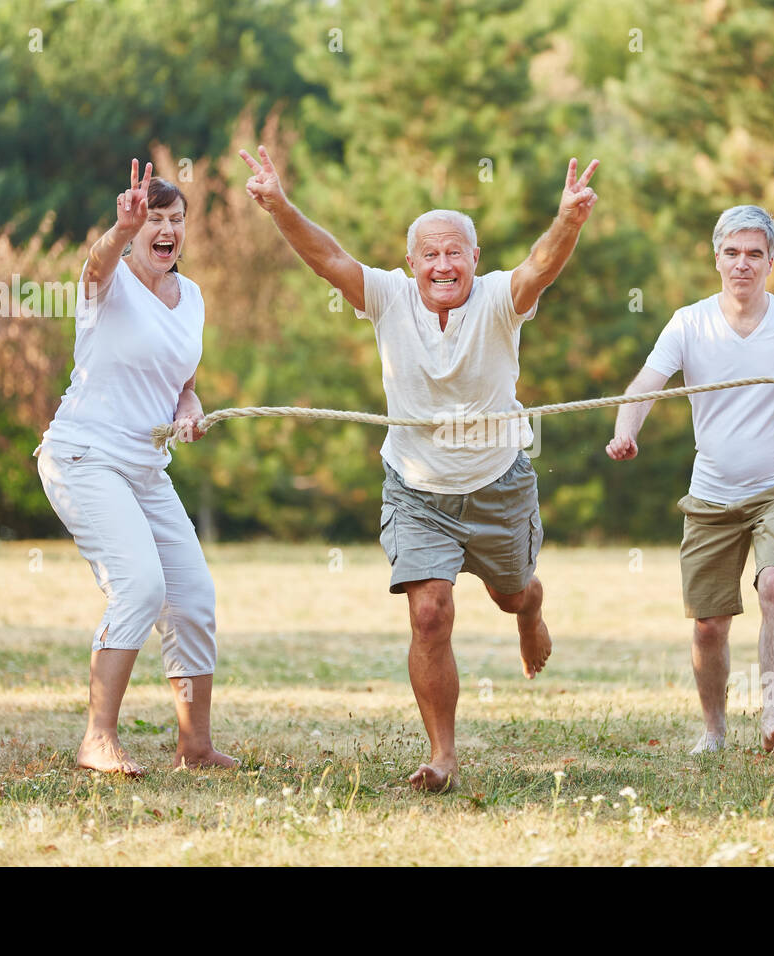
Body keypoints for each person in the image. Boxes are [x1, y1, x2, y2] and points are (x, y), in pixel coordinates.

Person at [239, 144, 598, 791]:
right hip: (417, 491)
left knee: (511, 591)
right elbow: (328, 257)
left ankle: (529, 608)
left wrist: (566, 220)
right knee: (429, 612)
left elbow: (540, 268)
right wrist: (280, 206)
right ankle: (442, 756)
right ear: (411, 263)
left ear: (474, 259)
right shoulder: (386, 297)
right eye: (428, 253)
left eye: (453, 251)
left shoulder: (497, 300)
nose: (441, 264)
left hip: (498, 486)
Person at [606, 205, 774, 754]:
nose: (743, 264)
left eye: (755, 254)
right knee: (709, 625)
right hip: (712, 490)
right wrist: (625, 432)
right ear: (717, 257)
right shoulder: (689, 322)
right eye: (732, 253)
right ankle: (714, 730)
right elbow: (644, 387)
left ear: (771, 261)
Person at [37, 158, 236, 776]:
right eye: (155, 217)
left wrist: (190, 412)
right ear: (136, 223)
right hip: (85, 456)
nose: (167, 228)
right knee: (141, 586)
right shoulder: (109, 281)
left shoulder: (192, 297)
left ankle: (194, 747)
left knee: (193, 596)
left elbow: (184, 386)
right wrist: (119, 231)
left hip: (148, 466)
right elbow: (94, 263)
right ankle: (98, 738)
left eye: (176, 218)